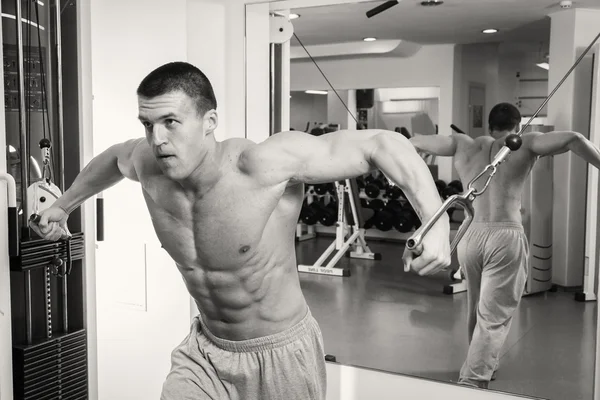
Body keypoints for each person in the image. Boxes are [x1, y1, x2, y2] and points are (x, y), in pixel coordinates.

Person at [29, 61, 452, 400]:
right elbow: (112, 160)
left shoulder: (263, 166)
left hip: (282, 357)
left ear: (209, 121)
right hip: (206, 351)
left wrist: (435, 220)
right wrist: (64, 205)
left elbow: (382, 144)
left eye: (171, 122)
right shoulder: (147, 163)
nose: (156, 139)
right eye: (147, 124)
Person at [410, 102, 600, 389]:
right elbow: (575, 139)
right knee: (493, 316)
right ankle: (472, 382)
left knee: (476, 307)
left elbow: (411, 142)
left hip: (469, 235)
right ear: (517, 125)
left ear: (489, 126)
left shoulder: (464, 144)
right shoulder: (525, 142)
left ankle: (485, 363)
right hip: (504, 235)